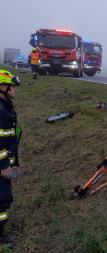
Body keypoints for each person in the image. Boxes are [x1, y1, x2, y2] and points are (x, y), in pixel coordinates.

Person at [0, 69, 21, 249]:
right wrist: (4, 165)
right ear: (3, 87)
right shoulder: (0, 110)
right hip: (1, 165)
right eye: (13, 87)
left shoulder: (5, 107)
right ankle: (1, 236)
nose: (15, 90)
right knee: (2, 199)